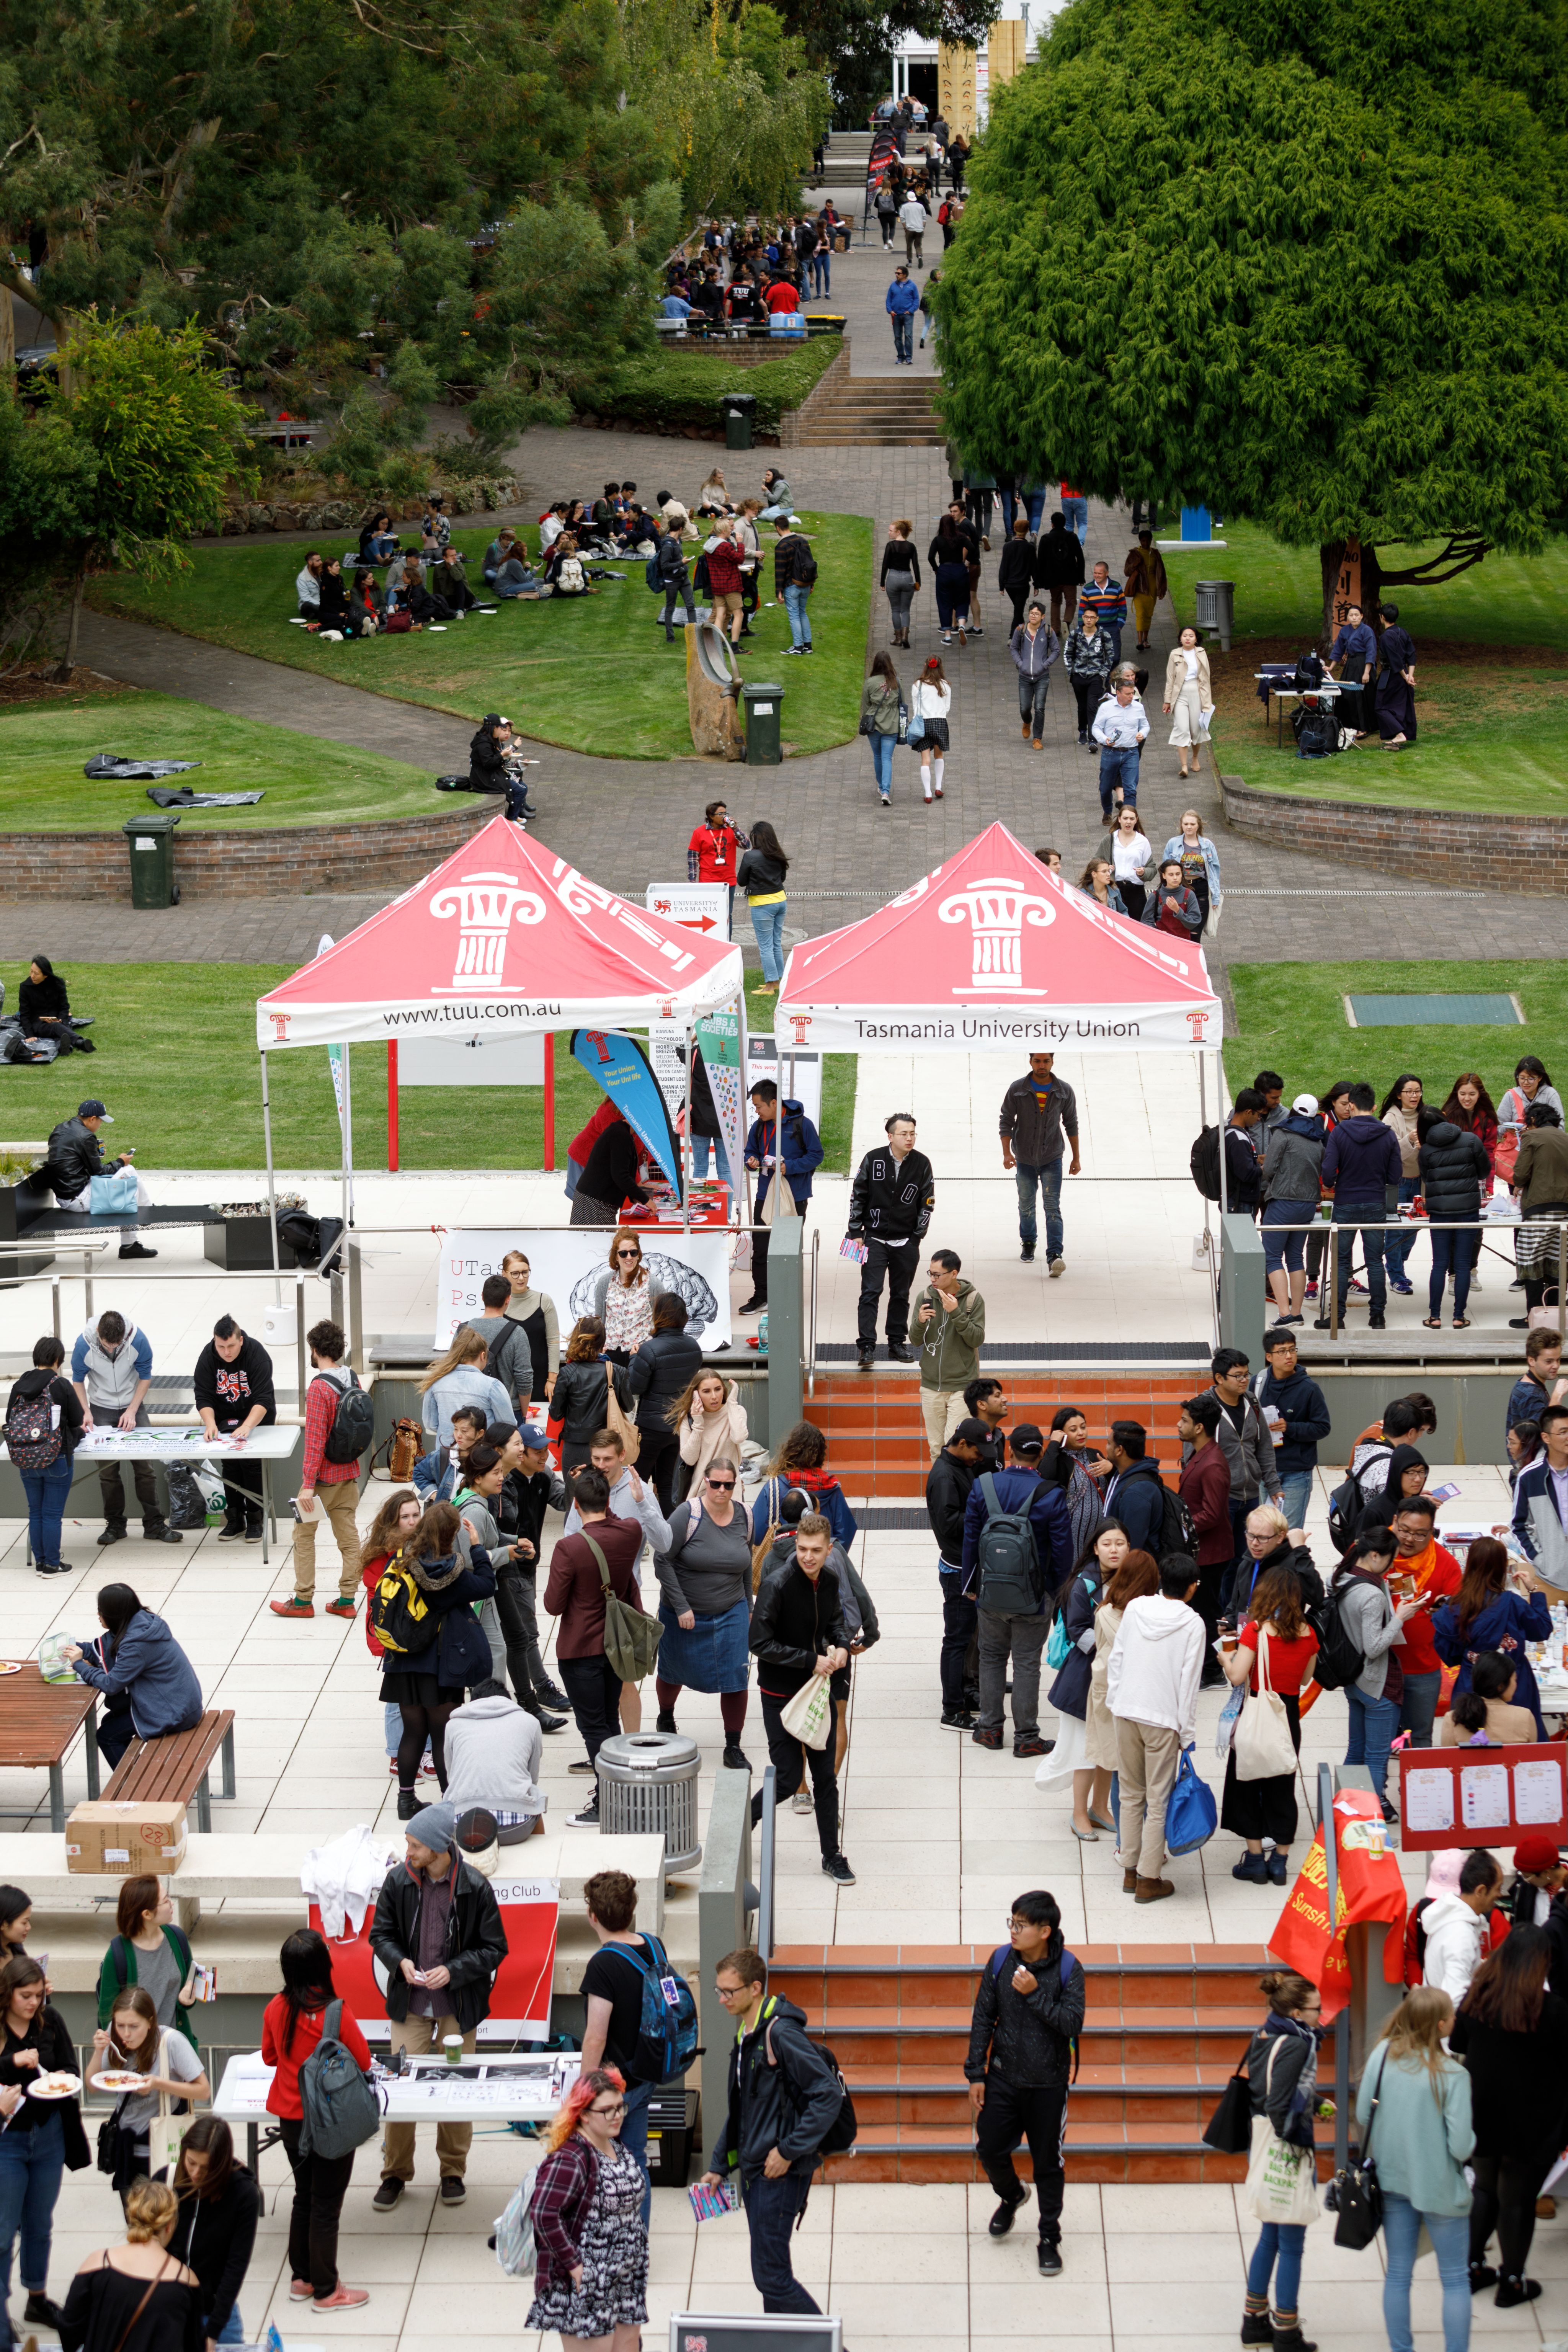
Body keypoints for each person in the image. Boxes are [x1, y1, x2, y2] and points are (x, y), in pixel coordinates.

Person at [368, 1805, 506, 2208]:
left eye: (414, 1845)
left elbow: (495, 1948)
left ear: (437, 1847)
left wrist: (454, 1971)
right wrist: (401, 1962)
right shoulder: (397, 1881)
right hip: (411, 2003)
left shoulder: (475, 1886)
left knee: (456, 2092)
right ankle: (394, 2173)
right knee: (398, 2092)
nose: (407, 1851)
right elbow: (381, 1935)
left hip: (456, 2006)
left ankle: (452, 2172)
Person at [699, 1946, 843, 2318]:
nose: (722, 2000)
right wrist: (719, 2164)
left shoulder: (780, 2034)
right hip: (754, 2170)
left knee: (771, 2277)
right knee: (771, 2272)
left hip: (778, 2174)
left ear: (755, 1988)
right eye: (719, 1991)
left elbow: (827, 2095)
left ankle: (827, 2346)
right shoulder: (748, 2033)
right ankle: (785, 2338)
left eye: (729, 1992)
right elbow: (744, 2110)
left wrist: (788, 2151)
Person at [963, 1888, 1085, 2277]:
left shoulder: (1069, 1969)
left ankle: (1049, 2237)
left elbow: (1072, 2025)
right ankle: (1012, 2195)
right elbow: (983, 2017)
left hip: (1049, 2085)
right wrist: (975, 2074)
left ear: (1045, 1931)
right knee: (990, 2149)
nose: (1013, 1931)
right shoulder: (1000, 1961)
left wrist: (1035, 1996)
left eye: (1021, 1925)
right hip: (1002, 2078)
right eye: (1011, 1923)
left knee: (1048, 2164)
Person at [1452, 1922, 1568, 2306]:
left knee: (1484, 2188)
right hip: (1531, 2121)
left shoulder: (1476, 1998)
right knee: (1517, 2199)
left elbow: (1457, 2043)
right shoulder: (1551, 2009)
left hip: (1480, 2110)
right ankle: (1512, 2282)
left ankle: (1470, 2268)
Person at [256, 1929, 372, 2309]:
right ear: (324, 1966)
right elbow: (365, 2061)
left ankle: (302, 2278)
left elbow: (270, 2058)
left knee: (304, 2198)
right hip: (330, 2123)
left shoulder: (276, 2007)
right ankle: (327, 2290)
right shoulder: (336, 2012)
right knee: (327, 2206)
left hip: (291, 2121)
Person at [1357, 1987, 1475, 2352]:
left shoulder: (1380, 2055)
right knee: (1455, 2279)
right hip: (1440, 2186)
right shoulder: (1453, 2075)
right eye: (1452, 2016)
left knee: (1398, 2273)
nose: (1456, 2020)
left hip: (1392, 2180)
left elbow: (1364, 2116)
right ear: (1440, 2025)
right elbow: (1460, 2146)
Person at [748, 1514, 856, 1883]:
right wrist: (811, 1660)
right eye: (802, 1550)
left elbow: (836, 1622)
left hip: (817, 1692)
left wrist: (842, 1646)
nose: (808, 1557)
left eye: (816, 1551)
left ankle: (832, 1856)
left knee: (825, 1777)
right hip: (779, 1694)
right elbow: (758, 1643)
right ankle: (741, 1822)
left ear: (829, 1550)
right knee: (788, 1777)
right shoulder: (777, 1584)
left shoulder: (829, 1580)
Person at [961, 1424, 1073, 1756]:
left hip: (990, 1592)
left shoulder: (983, 1487)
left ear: (1009, 1451)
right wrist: (1054, 1592)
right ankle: (1027, 1738)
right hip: (1034, 1596)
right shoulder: (1051, 1494)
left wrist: (971, 1585)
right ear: (1040, 1454)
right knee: (1027, 1663)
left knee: (992, 1658)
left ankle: (990, 1731)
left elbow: (970, 1541)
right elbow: (1063, 1551)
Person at [379, 1501, 496, 1816]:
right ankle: (451, 1804)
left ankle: (406, 1800)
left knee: (413, 1732)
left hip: (404, 1661)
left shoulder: (402, 1560)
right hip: (441, 1664)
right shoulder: (453, 1571)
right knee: (443, 1736)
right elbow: (488, 1585)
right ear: (453, 1533)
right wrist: (477, 1549)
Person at [543, 1468, 646, 1822]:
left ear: (575, 1504)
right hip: (617, 1646)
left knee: (593, 1727)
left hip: (581, 1648)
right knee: (608, 1721)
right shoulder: (630, 1532)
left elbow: (553, 1605)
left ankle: (609, 1804)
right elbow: (615, 1521)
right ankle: (620, 1793)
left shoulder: (569, 1547)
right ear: (607, 1501)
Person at [525, 2063, 649, 2352]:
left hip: (625, 2278)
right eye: (607, 2110)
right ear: (582, 2114)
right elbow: (544, 2214)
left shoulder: (614, 2145)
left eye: (620, 2107)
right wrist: (576, 2266)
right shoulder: (571, 2159)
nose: (617, 2116)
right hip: (587, 2283)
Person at [1236, 1967, 1325, 2352]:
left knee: (1270, 2235)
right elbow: (1278, 2103)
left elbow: (1270, 2087)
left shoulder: (1267, 2032)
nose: (1319, 2016)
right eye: (1315, 2009)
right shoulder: (1299, 2044)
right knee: (1291, 2241)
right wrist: (1296, 2141)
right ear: (1295, 2012)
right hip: (1285, 2144)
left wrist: (1316, 2104)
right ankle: (1286, 2331)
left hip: (1263, 2139)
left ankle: (1253, 2321)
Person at [1107, 1554, 1205, 1901]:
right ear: (1192, 1587)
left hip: (1126, 1710)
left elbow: (1117, 1658)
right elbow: (1188, 1683)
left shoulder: (1135, 1609)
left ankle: (1130, 1870)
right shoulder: (1193, 1624)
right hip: (1162, 1719)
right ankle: (1150, 1879)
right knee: (1158, 1800)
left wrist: (1115, 1701)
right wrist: (1187, 1734)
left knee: (1130, 1794)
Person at [0, 1954, 90, 2333]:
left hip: (49, 2133)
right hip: (9, 2140)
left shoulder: (50, 2021)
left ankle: (36, 2298)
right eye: (26, 1996)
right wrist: (12, 2062)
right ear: (7, 1994)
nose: (34, 2002)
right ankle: (1, 2311)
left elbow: (70, 2068)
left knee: (39, 2224)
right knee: (4, 2230)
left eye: (38, 1994)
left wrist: (57, 2079)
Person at [653, 1460, 754, 1765]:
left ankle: (733, 1746)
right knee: (673, 1672)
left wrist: (748, 1606)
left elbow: (747, 1561)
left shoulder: (745, 1516)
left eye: (729, 1485)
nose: (722, 1490)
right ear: (706, 1482)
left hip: (732, 1608)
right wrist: (682, 1606)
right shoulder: (689, 1514)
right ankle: (666, 1717)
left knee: (738, 1675)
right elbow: (662, 1560)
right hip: (684, 1613)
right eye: (716, 1484)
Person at [1221, 1567, 1318, 1885]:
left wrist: (1226, 1658)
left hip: (1257, 1712)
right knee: (1283, 1788)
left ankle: (1254, 1861)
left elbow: (1237, 1676)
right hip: (1287, 1715)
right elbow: (1305, 1680)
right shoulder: (1309, 1634)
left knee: (1247, 1785)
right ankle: (1280, 1861)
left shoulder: (1256, 1631)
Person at [273, 1319, 365, 1620]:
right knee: (349, 1539)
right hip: (349, 1474)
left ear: (315, 1350)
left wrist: (307, 1484)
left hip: (322, 1481)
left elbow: (314, 1442)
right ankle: (348, 1599)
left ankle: (302, 1601)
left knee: (303, 1535)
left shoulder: (319, 1389)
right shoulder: (352, 1378)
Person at [92, 1982, 211, 2199]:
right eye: (120, 2025)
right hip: (126, 2146)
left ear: (150, 2022)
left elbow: (204, 2091)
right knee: (136, 2225)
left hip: (160, 2149)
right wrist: (99, 2051)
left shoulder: (171, 2042)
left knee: (161, 2223)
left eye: (134, 2027)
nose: (126, 2034)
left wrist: (158, 2084)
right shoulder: (115, 2035)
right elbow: (93, 2086)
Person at [71, 1311, 180, 1545]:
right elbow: (78, 1380)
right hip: (100, 1407)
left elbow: (146, 1376)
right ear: (99, 1333)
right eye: (106, 1344)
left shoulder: (138, 1340)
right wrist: (85, 1411)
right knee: (108, 1472)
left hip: (134, 1405)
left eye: (116, 1344)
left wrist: (132, 1410)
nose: (111, 1349)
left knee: (145, 1468)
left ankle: (155, 1524)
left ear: (123, 1335)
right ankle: (116, 1525)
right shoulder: (84, 1344)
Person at [64, 1584, 201, 1770]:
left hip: (174, 1711)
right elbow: (105, 1649)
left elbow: (111, 1685)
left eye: (101, 1611)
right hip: (178, 1702)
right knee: (110, 1722)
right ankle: (139, 1774)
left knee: (107, 1736)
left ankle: (133, 1790)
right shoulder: (139, 1622)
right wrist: (75, 1648)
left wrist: (79, 1664)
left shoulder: (137, 1644)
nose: (98, 1616)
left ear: (113, 1614)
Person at [1332, 1528, 1423, 1809]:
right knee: (1376, 1756)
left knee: (1355, 1751)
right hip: (1376, 1683)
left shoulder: (1340, 1578)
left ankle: (1345, 1813)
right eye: (1390, 1560)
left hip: (1353, 1680)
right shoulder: (1371, 1596)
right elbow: (1374, 1647)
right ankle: (1371, 1821)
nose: (1392, 1566)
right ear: (1374, 1556)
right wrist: (1401, 1618)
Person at [58, 2178, 203, 2352]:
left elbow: (69, 2332)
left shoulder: (98, 2263)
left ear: (132, 2217)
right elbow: (195, 2346)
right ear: (170, 2226)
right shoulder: (186, 2280)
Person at [1436, 1534, 1553, 1735]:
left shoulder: (1455, 1606)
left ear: (1470, 1565)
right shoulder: (1512, 1603)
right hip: (1513, 1683)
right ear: (1502, 1569)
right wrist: (1534, 1590)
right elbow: (1542, 1629)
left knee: (1470, 1743)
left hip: (1471, 1682)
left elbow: (1447, 1652)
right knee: (1520, 1745)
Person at [158, 2118, 258, 2347]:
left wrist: (213, 2333)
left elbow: (236, 2267)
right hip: (168, 2307)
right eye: (191, 2162)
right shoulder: (165, 2181)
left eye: (207, 2168)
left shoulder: (244, 2195)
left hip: (216, 2311)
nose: (195, 2173)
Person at [847, 1113, 936, 1368]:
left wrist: (916, 1237)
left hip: (906, 1241)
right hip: (873, 1239)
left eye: (913, 1134)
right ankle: (866, 1346)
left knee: (901, 1294)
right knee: (870, 1293)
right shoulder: (874, 1159)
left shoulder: (921, 1163)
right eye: (904, 1134)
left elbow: (927, 1202)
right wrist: (856, 1232)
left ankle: (897, 1342)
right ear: (891, 1136)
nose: (909, 1139)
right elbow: (858, 1196)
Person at [1315, 1083, 1403, 1330]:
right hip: (1376, 1203)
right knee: (1375, 1261)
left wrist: (1334, 1183)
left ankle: (1338, 1317)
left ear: (1351, 1105)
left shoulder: (1340, 1133)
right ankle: (1378, 1317)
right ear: (1375, 1107)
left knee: (1342, 1262)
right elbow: (1395, 1176)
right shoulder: (1387, 1134)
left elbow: (1328, 1172)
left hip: (1345, 1204)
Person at [1081, 1537, 1152, 1826]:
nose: (1114, 1550)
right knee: (1127, 1767)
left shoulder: (1106, 1611)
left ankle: (1118, 1829)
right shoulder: (1148, 1615)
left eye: (1120, 1544)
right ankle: (1112, 1820)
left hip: (1107, 1691)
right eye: (1107, 1543)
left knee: (1113, 1758)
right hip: (1131, 1697)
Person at [33, 1100, 157, 1258]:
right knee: (129, 1176)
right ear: (92, 1119)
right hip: (78, 1198)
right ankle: (135, 1235)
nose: (100, 1124)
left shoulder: (61, 1128)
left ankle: (147, 1210)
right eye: (100, 1121)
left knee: (127, 1179)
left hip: (66, 1193)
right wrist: (120, 1161)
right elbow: (98, 1171)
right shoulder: (86, 1137)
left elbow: (73, 1162)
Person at [1385, 1494, 1462, 1745]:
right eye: (1404, 1530)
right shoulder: (1371, 1552)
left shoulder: (1446, 1564)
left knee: (1418, 1741)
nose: (1409, 1539)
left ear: (1432, 1532)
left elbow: (1461, 1613)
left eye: (1420, 1534)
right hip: (1377, 1666)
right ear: (1395, 1521)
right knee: (1376, 1743)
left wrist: (1445, 1614)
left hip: (1422, 1668)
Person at [740, 1078, 823, 1314]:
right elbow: (750, 1151)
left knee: (787, 1249)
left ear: (774, 1103)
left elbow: (817, 1155)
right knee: (761, 1247)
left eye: (759, 1106)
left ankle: (786, 1296)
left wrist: (790, 1167)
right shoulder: (759, 1127)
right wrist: (752, 1161)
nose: (757, 1111)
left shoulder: (802, 1125)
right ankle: (762, 1296)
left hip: (794, 1195)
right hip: (766, 1195)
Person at [5, 1335, 85, 1576]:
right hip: (56, 1457)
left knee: (36, 1511)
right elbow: (77, 1420)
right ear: (58, 1359)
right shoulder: (60, 1385)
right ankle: (52, 1564)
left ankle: (40, 1562)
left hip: (25, 1459)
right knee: (52, 1515)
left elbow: (10, 1420)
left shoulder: (20, 1385)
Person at [193, 1315, 275, 1543]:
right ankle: (235, 1519)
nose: (226, 1352)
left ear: (240, 1340)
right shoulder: (208, 1356)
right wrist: (210, 1423)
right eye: (221, 1347)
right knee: (229, 1466)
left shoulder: (257, 1355)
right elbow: (203, 1395)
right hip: (224, 1417)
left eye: (231, 1346)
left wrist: (248, 1425)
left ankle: (256, 1520)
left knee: (252, 1466)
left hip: (256, 1416)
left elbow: (264, 1398)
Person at [927, 1418, 987, 1728]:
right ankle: (952, 1710)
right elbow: (950, 1522)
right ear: (962, 1444)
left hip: (966, 1566)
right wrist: (984, 1517)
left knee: (965, 1639)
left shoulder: (960, 1467)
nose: (980, 1458)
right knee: (956, 1640)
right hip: (958, 1570)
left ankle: (965, 1694)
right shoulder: (944, 1476)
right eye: (978, 1451)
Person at [997, 1051, 1080, 1274]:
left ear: (1053, 1062)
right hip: (1024, 1157)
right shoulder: (1018, 1089)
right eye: (1037, 1061)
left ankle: (1055, 1255)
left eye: (1046, 1061)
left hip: (1052, 1157)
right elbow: (1006, 1120)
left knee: (1052, 1206)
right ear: (1031, 1061)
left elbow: (1071, 1123)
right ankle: (1029, 1242)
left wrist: (1076, 1157)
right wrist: (1007, 1153)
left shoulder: (1064, 1091)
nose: (1042, 1065)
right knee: (1026, 1205)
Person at [97, 1878, 200, 2047]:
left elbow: (188, 1989)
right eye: (166, 1901)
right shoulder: (118, 1954)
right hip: (136, 2056)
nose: (171, 1904)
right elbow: (107, 2016)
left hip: (176, 2048)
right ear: (147, 1914)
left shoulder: (178, 1938)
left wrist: (186, 2001)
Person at [443, 1677, 546, 1834]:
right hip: (519, 1827)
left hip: (465, 1827)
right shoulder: (530, 1722)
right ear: (508, 1701)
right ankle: (542, 1851)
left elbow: (452, 1775)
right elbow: (533, 1776)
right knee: (535, 1795)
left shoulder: (454, 1726)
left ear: (474, 1702)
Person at [1177, 1395, 1236, 1664]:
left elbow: (1212, 1514)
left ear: (1200, 1427)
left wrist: (1182, 1527)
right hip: (1203, 1551)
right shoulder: (1198, 1454)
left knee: (1206, 1611)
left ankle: (1212, 1669)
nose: (1179, 1425)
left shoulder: (1212, 1464)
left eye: (1185, 1421)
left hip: (1210, 1554)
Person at [1251, 1329, 1329, 1532]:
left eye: (1293, 1350)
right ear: (1269, 1357)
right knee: (1264, 1530)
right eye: (1282, 1351)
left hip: (1297, 1471)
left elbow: (1323, 1427)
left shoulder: (1309, 1388)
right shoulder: (1258, 1383)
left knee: (1288, 1532)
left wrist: (1290, 1428)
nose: (1289, 1356)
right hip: (1265, 1470)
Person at [911, 1249, 985, 1458]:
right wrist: (920, 1322)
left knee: (954, 1446)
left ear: (954, 1274)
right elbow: (915, 1341)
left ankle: (956, 1490)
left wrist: (956, 1313)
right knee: (936, 1448)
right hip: (931, 1384)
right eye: (931, 1274)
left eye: (938, 1275)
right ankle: (941, 1491)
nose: (933, 1279)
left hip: (962, 1386)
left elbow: (976, 1339)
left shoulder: (972, 1299)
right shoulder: (925, 1297)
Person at [1258, 1098, 1326, 1325]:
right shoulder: (1318, 1141)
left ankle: (1285, 1314)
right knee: (1296, 1258)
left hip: (1283, 1203)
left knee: (1272, 1257)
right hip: (1308, 1206)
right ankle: (1297, 1313)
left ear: (1294, 1111)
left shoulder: (1283, 1134)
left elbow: (1268, 1170)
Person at [547, 1321, 631, 1472]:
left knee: (574, 1494)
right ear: (602, 1342)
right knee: (605, 1493)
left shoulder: (568, 1372)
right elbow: (628, 1406)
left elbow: (556, 1413)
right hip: (607, 1447)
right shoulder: (617, 1371)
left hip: (576, 1446)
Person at [1510, 1101, 1568, 1322]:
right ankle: (1554, 1316)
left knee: (1530, 1260)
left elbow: (1520, 1175)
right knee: (1557, 1260)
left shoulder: (1532, 1137)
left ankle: (1533, 1317)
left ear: (1533, 1121)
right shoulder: (1565, 1138)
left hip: (1540, 1208)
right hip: (1565, 1209)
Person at [570, 1109, 653, 1229]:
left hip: (599, 1203)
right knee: (591, 1243)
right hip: (595, 1205)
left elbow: (624, 1170)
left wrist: (636, 1197)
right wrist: (645, 1200)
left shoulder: (622, 1132)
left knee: (599, 1242)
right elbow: (621, 1175)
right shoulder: (620, 1135)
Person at [673, 1368, 748, 1497]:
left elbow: (739, 1437)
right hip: (701, 1492)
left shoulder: (736, 1411)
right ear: (696, 1395)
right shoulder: (688, 1418)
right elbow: (690, 1460)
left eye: (718, 1389)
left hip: (730, 1492)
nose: (714, 1396)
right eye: (707, 1392)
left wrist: (732, 1404)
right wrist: (698, 1423)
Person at [1101, 1420, 1169, 1558]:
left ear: (1119, 1450)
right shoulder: (1124, 1475)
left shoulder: (1136, 1492)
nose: (1106, 1447)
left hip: (1136, 1572)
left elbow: (1132, 1546)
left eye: (1109, 1443)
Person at [736, 818, 789, 992]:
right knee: (776, 943)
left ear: (756, 838)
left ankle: (769, 987)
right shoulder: (778, 854)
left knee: (766, 946)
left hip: (762, 904)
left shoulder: (751, 856)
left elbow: (742, 881)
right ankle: (779, 983)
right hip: (780, 901)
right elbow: (782, 879)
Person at [1441, 1651, 1537, 1746]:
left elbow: (1447, 1759)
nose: (1516, 1684)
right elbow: (1531, 1757)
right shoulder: (1525, 1717)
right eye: (1515, 1680)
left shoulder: (1453, 1718)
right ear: (1500, 1686)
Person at [1160, 623, 1214, 778]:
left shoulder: (1202, 653)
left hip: (1198, 692)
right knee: (1182, 728)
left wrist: (1207, 702)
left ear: (1196, 639)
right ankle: (1184, 766)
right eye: (1185, 636)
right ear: (1180, 639)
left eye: (1191, 636)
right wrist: (1167, 700)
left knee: (1196, 729)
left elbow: (1206, 679)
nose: (1188, 639)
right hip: (1180, 693)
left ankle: (1195, 758)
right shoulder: (1175, 654)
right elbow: (1170, 679)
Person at [1091, 675, 1148, 822]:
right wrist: (1105, 740)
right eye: (1128, 694)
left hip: (1131, 752)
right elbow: (1096, 728)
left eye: (1133, 693)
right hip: (1111, 752)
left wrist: (1142, 733)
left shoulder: (1138, 707)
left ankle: (1129, 818)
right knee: (1105, 788)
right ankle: (1107, 811)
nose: (1132, 696)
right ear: (1118, 693)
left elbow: (1145, 725)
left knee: (1131, 788)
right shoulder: (1106, 707)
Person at [1162, 809, 1222, 933]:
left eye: (1193, 824)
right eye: (1186, 824)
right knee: (1179, 928)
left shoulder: (1208, 845)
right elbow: (1165, 869)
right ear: (1182, 825)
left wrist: (1215, 897)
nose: (1189, 827)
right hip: (1180, 888)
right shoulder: (1173, 843)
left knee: (1195, 931)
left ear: (1198, 825)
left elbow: (1215, 872)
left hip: (1201, 889)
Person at [1009, 598, 1058, 749]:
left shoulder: (1049, 631)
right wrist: (1020, 664)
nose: (1033, 616)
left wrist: (1046, 665)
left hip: (1042, 677)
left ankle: (1037, 739)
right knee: (1025, 708)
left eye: (1037, 614)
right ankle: (1027, 722)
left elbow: (1056, 650)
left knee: (1040, 707)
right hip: (1024, 676)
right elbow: (1014, 648)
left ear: (1043, 616)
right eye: (1031, 613)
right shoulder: (1021, 630)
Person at [1324, 600, 1377, 736]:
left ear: (1362, 616)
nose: (1354, 618)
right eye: (1351, 615)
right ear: (1347, 617)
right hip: (1351, 664)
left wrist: (1367, 673)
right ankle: (1348, 724)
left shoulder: (1367, 631)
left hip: (1363, 664)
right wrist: (1331, 667)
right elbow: (1339, 650)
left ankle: (1364, 727)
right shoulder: (1345, 631)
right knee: (1346, 693)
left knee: (1361, 695)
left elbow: (1371, 653)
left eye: (1357, 615)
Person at [18, 957, 92, 1055]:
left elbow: (64, 1007)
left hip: (58, 1020)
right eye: (31, 972)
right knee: (58, 1027)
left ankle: (64, 1048)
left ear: (46, 975)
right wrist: (30, 1035)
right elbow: (24, 1015)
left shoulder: (58, 984)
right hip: (39, 1024)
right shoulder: (25, 987)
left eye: (36, 974)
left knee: (60, 1027)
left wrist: (62, 1019)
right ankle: (79, 1042)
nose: (32, 976)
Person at [859, 650, 904, 807]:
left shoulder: (870, 682)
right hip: (892, 724)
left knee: (878, 757)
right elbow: (903, 704)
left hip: (874, 725)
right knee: (887, 758)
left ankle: (881, 786)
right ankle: (886, 791)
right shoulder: (897, 682)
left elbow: (865, 707)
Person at [1034, 511, 1085, 638]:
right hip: (1070, 577)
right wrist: (1081, 576)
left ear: (1052, 525)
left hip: (1052, 578)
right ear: (1064, 523)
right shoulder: (1072, 537)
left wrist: (1038, 582)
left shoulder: (1046, 539)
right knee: (1071, 602)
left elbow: (1040, 561)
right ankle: (1066, 622)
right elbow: (1080, 557)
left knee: (1056, 602)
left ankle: (1056, 629)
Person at [1507, 1327, 1565, 1438]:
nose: (1556, 1366)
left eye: (1558, 1360)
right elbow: (1542, 1437)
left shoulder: (1529, 1387)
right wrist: (1557, 1396)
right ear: (1532, 1361)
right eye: (1549, 1361)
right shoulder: (1530, 1395)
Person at [1099, 802, 1154, 920]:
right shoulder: (1110, 839)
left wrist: (1144, 872)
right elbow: (1096, 863)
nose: (1128, 822)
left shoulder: (1143, 842)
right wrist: (1106, 869)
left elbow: (1153, 868)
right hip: (1114, 889)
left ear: (1136, 820)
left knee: (1138, 928)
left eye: (1131, 819)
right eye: (1125, 818)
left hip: (1136, 891)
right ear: (1119, 819)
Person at [1375, 601, 1418, 745]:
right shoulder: (1403, 632)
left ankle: (1399, 735)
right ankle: (1398, 738)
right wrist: (1410, 675)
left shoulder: (1386, 637)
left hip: (1393, 676)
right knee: (1400, 705)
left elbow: (1395, 660)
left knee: (1380, 707)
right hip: (1403, 674)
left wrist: (1407, 677)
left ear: (1382, 617)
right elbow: (1411, 655)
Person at [911, 653, 951, 804]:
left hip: (923, 723)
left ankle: (928, 793)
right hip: (940, 722)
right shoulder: (945, 685)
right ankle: (939, 787)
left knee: (925, 760)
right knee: (939, 756)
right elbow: (947, 707)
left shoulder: (918, 685)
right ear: (940, 667)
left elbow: (916, 707)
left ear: (926, 666)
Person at [928, 510, 972, 647]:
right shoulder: (961, 537)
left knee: (944, 603)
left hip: (944, 572)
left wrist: (936, 569)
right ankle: (961, 625)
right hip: (960, 570)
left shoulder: (938, 540)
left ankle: (948, 637)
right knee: (963, 599)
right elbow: (973, 548)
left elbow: (931, 557)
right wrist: (967, 562)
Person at [772, 515, 814, 655]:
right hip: (806, 584)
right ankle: (808, 645)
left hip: (792, 586)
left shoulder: (781, 546)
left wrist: (779, 591)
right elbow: (810, 565)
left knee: (794, 616)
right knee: (803, 613)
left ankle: (798, 647)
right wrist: (812, 584)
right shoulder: (803, 541)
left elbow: (780, 571)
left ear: (778, 528)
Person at [686, 799, 745, 897]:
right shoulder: (699, 832)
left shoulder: (731, 830)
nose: (724, 817)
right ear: (711, 816)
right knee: (708, 913)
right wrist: (693, 881)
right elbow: (693, 859)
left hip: (729, 882)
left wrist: (736, 828)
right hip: (708, 882)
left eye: (725, 814)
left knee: (728, 913)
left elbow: (746, 845)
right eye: (721, 814)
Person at [654, 514, 696, 643]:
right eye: (684, 529)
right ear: (680, 529)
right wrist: (682, 563)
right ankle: (670, 637)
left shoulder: (678, 541)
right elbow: (665, 566)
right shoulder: (668, 546)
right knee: (670, 607)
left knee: (691, 605)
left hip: (683, 578)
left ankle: (695, 636)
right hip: (672, 581)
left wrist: (682, 565)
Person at [879, 519, 921, 648]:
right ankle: (905, 636)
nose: (889, 533)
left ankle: (898, 638)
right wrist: (918, 582)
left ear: (898, 532)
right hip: (907, 578)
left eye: (891, 531)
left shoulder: (891, 546)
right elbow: (916, 565)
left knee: (896, 610)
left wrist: (882, 581)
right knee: (906, 610)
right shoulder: (911, 546)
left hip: (893, 578)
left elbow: (885, 564)